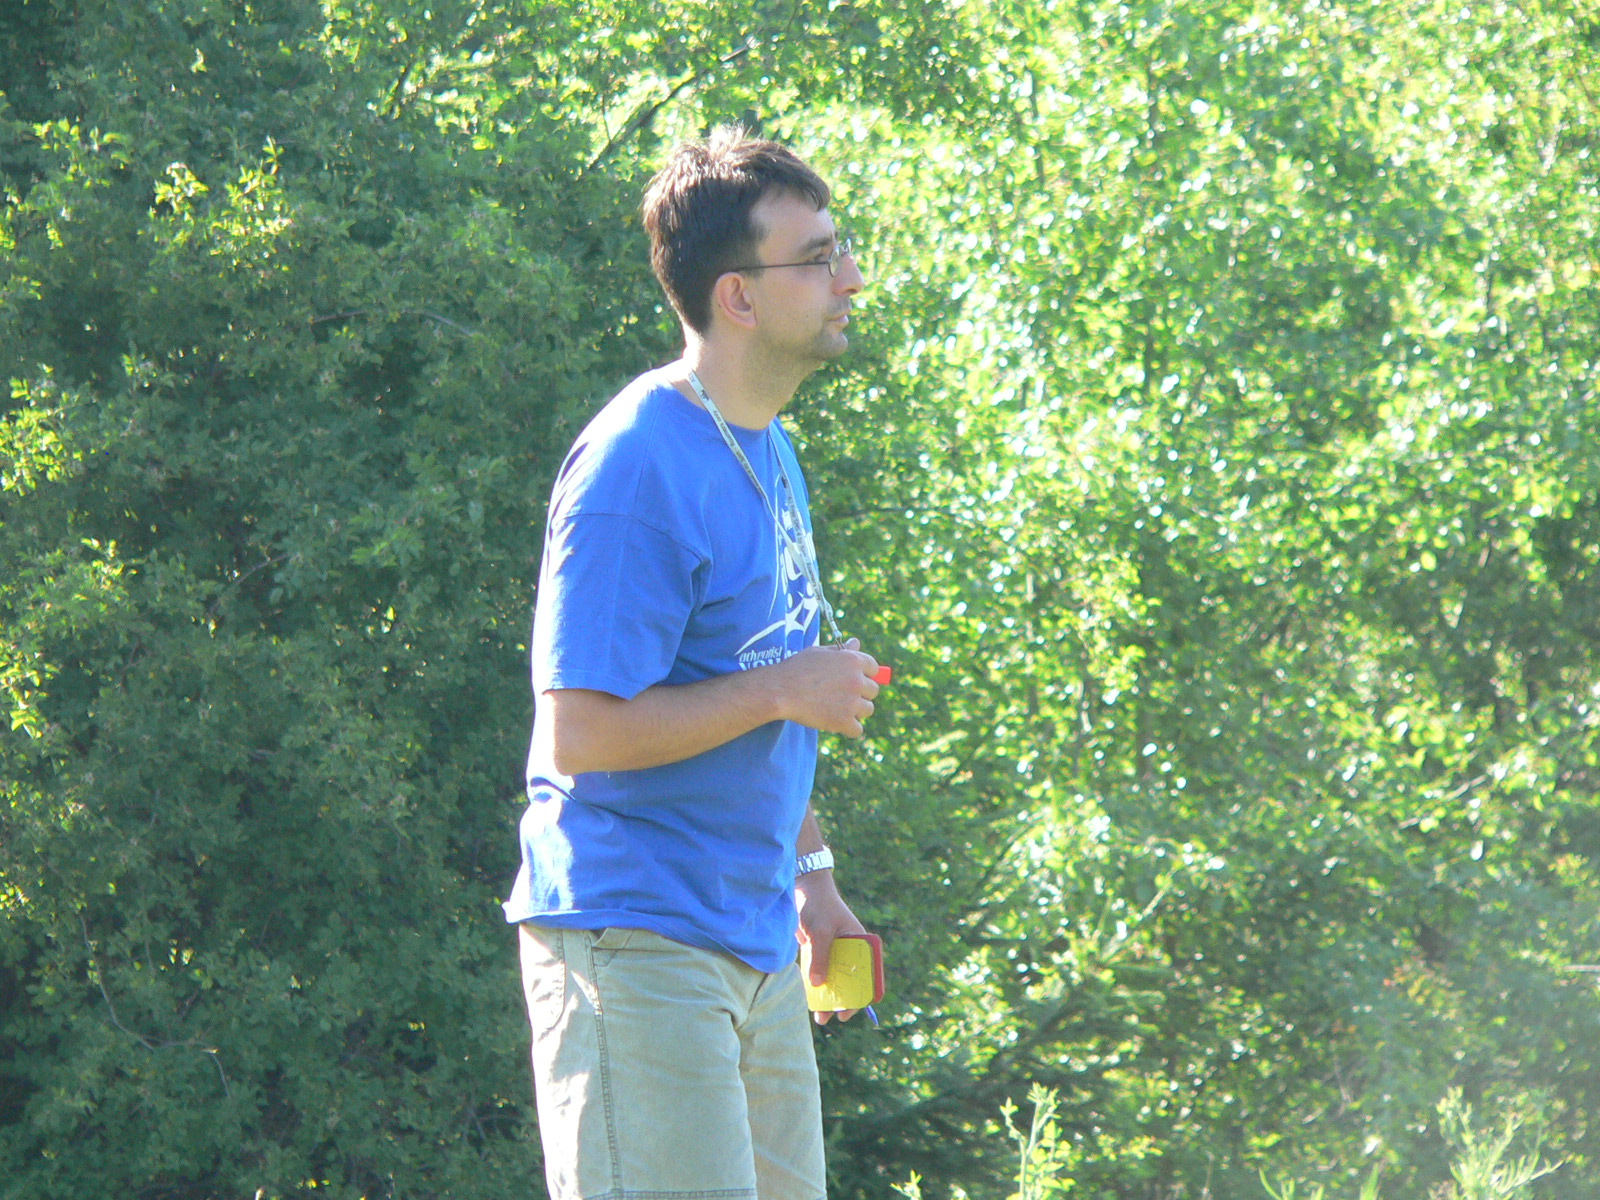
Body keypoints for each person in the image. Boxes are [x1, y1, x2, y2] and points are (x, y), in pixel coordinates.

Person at [502, 126, 881, 1200]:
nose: (851, 278)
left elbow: (749, 682)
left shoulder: (767, 445)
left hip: (752, 939)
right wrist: (788, 687)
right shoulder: (637, 463)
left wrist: (814, 879)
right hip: (635, 940)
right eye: (818, 258)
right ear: (738, 297)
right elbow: (580, 731)